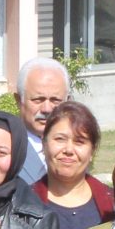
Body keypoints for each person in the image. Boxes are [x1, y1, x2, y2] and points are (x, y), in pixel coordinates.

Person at [32, 100, 115, 229]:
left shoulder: (114, 206)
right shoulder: (23, 205)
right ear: (44, 144)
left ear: (92, 150)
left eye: (79, 141)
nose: (68, 150)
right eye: (60, 139)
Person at [13, 55, 72, 184]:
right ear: (19, 100)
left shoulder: (76, 147)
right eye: (38, 100)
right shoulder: (1, 148)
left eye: (55, 100)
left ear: (67, 101)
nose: (46, 109)